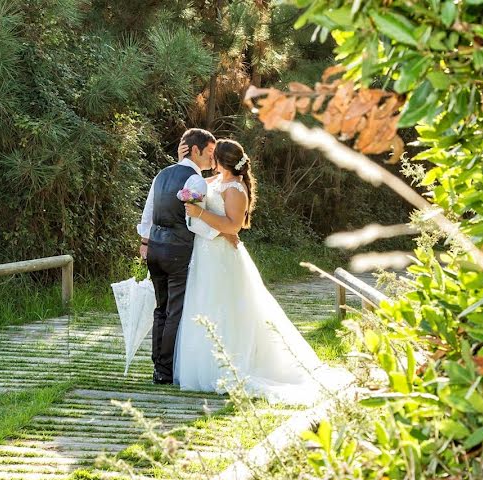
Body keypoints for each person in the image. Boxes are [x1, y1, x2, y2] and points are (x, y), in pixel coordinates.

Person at [173, 138, 336, 402]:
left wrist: (201, 215)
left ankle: (229, 368)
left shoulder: (236, 188)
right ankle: (202, 368)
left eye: (214, 154)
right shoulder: (212, 182)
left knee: (226, 308)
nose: (210, 158)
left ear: (222, 160)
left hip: (223, 258)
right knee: (203, 304)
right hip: (204, 254)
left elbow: (233, 226)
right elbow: (202, 201)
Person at [137, 129, 239, 385]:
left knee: (160, 309)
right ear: (196, 151)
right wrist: (223, 232)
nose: (212, 159)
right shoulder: (195, 181)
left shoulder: (162, 174)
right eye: (209, 152)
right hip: (177, 250)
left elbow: (148, 212)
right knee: (174, 311)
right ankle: (165, 370)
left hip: (155, 249)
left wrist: (144, 242)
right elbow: (193, 221)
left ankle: (158, 366)